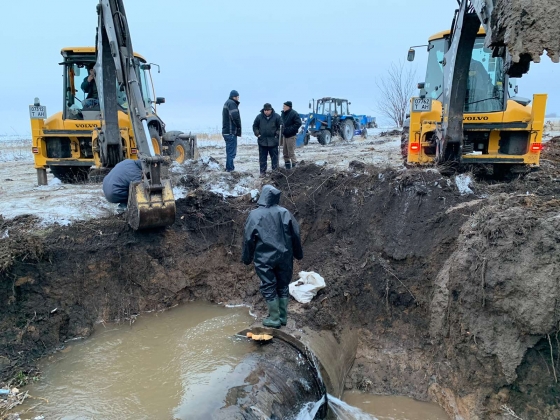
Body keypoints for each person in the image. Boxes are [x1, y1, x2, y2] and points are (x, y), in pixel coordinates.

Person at [242, 185, 303, 328]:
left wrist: (247, 258)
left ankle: (274, 318)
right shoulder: (285, 213)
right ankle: (282, 317)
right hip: (285, 256)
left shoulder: (254, 215)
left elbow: (248, 239)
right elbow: (296, 234)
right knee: (283, 285)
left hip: (264, 258)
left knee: (268, 285)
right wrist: (298, 254)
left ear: (262, 196)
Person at [252, 103, 282, 177]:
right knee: (262, 158)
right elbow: (255, 126)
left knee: (274, 158)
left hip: (273, 141)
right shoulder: (259, 117)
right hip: (262, 141)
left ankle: (275, 173)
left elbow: (281, 127)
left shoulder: (277, 117)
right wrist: (257, 133)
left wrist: (277, 134)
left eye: (268, 110)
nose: (266, 111)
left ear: (271, 110)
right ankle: (262, 173)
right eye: (265, 110)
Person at [222, 90, 242, 172]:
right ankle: (230, 169)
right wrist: (238, 127)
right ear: (235, 97)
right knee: (231, 152)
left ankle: (229, 167)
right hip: (230, 131)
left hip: (226, 131)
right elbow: (235, 116)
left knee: (229, 151)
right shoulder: (232, 103)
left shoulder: (227, 103)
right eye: (238, 97)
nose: (238, 99)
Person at [280, 101, 302, 169]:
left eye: (284, 106)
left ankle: (294, 167)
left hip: (291, 136)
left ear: (288, 107)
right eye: (283, 106)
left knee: (291, 152)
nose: (283, 107)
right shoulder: (283, 114)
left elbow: (298, 123)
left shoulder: (294, 113)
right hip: (284, 135)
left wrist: (289, 130)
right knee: (285, 152)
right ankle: (287, 167)